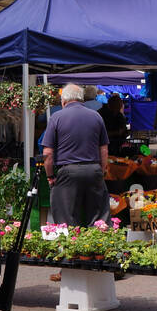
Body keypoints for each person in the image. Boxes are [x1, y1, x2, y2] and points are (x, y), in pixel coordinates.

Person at [43, 84, 110, 227]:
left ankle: (71, 246)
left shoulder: (57, 117)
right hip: (93, 169)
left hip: (68, 172)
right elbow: (104, 150)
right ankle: (100, 247)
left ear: (63, 101)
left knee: (66, 219)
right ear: (81, 99)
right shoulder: (96, 116)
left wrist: (50, 177)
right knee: (98, 219)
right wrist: (102, 171)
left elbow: (48, 153)